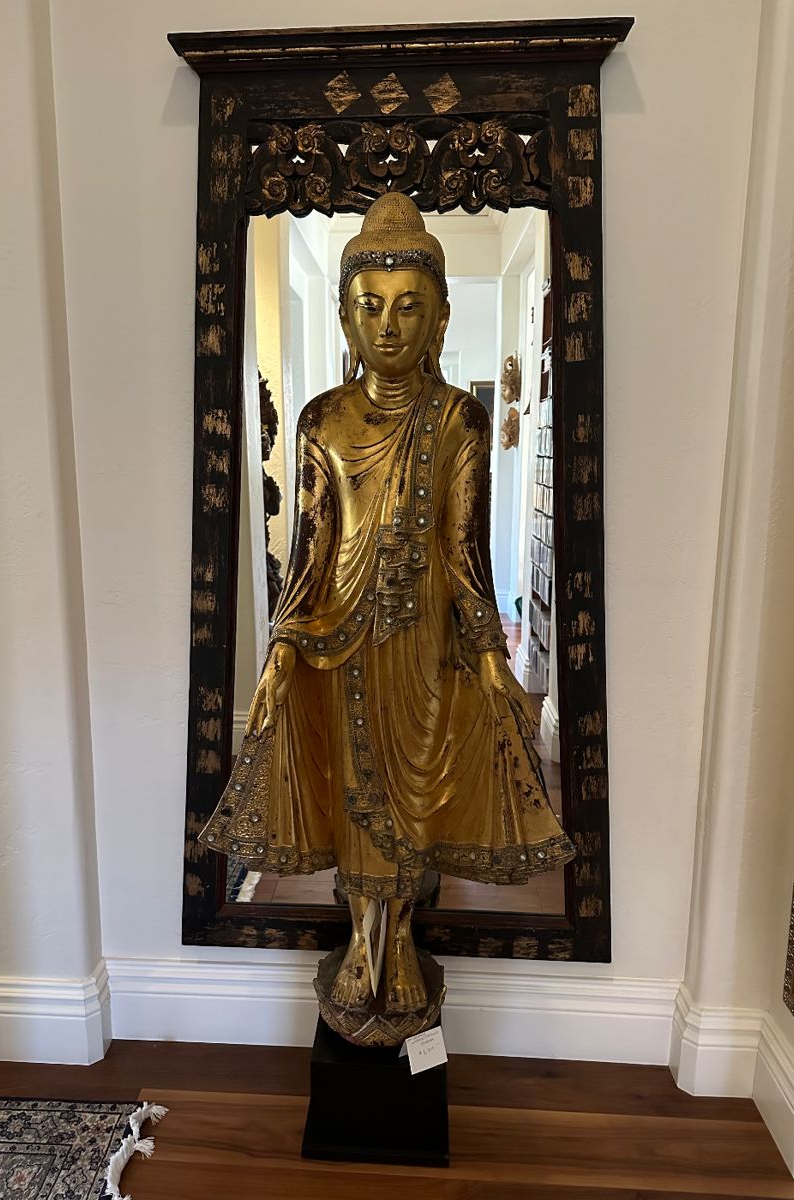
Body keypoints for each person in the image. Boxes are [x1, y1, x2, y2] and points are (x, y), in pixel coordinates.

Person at [201, 191, 575, 1018]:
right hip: (340, 635)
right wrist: (282, 649)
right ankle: (365, 942)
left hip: (425, 638)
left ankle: (396, 940)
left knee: (412, 797)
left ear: (440, 317)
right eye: (370, 306)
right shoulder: (322, 422)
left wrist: (490, 655)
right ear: (345, 316)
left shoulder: (461, 420)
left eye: (410, 306)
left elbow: (463, 551)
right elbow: (311, 552)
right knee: (356, 796)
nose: (389, 326)